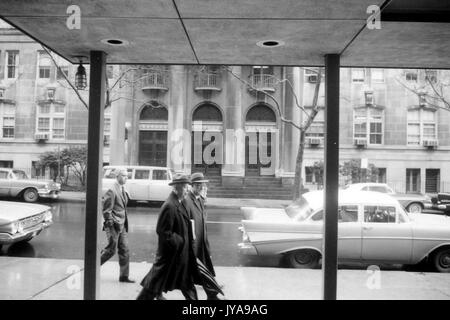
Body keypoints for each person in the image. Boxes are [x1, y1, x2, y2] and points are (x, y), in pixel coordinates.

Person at [136, 174, 199, 300]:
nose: (187, 190)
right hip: (171, 255)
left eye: (188, 187)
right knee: (153, 285)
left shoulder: (181, 202)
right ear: (177, 188)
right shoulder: (169, 206)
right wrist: (180, 242)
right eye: (185, 187)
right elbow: (163, 231)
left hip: (181, 254)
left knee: (187, 284)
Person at [184, 172, 224, 300]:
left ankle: (212, 295)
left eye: (202, 185)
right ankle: (153, 290)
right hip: (192, 243)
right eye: (198, 185)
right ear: (192, 186)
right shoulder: (187, 201)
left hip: (201, 241)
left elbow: (202, 220)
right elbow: (186, 223)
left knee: (204, 269)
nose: (201, 188)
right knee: (188, 272)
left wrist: (205, 241)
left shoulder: (200, 199)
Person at [100, 168, 134, 283]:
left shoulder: (122, 189)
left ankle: (124, 277)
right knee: (111, 250)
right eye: (124, 176)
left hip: (122, 225)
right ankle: (91, 268)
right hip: (114, 225)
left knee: (125, 250)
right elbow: (106, 210)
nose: (126, 178)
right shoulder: (112, 190)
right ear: (117, 176)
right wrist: (110, 224)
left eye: (127, 176)